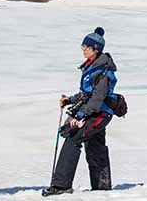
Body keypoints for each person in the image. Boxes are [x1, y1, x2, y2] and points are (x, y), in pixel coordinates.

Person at [43, 27, 118, 197]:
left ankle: (61, 186)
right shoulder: (91, 67)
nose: (83, 49)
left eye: (87, 46)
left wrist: (80, 115)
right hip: (95, 113)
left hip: (99, 114)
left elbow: (97, 100)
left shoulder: (103, 71)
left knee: (73, 137)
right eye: (83, 46)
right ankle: (102, 187)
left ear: (96, 49)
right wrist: (70, 100)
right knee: (95, 146)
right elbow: (86, 94)